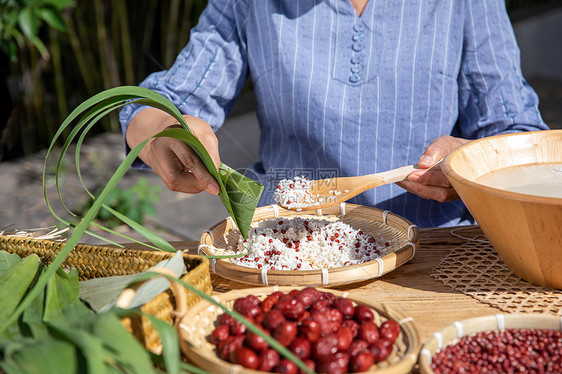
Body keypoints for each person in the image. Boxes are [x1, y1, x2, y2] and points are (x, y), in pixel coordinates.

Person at [119, 0, 548, 228]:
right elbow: (155, 104)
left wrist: (471, 163)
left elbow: (517, 134)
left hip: (433, 251)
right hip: (285, 249)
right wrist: (165, 129)